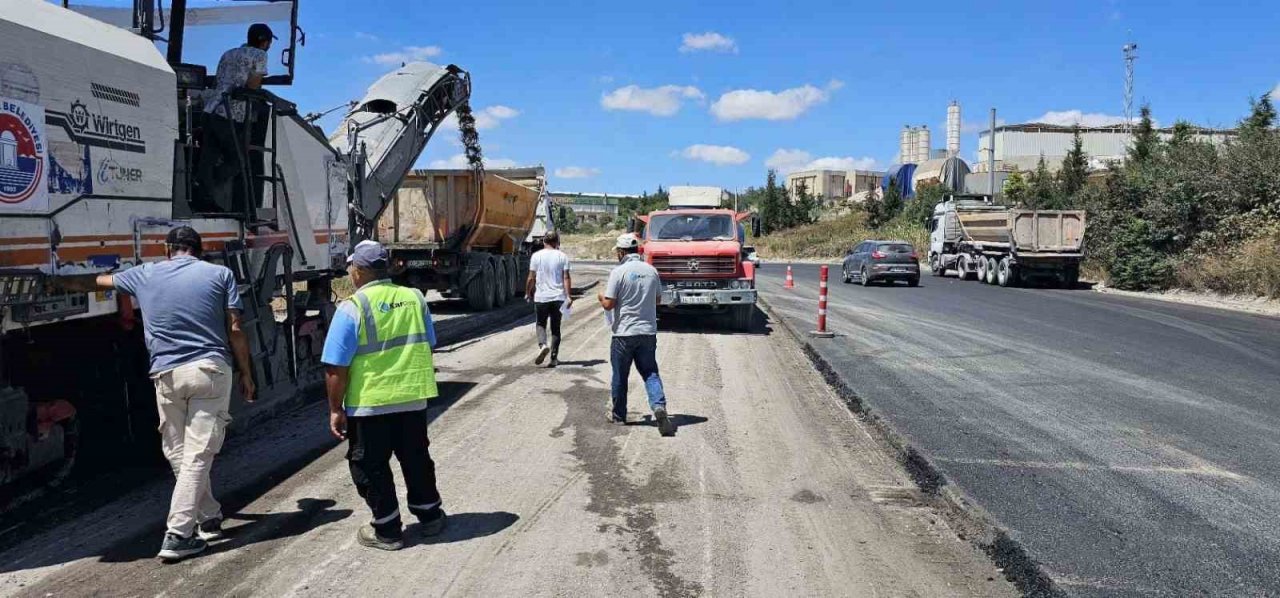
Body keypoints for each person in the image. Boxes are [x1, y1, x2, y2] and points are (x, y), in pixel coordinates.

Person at [55, 226, 255, 562]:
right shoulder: (220, 273)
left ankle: (208, 516)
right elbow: (235, 328)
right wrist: (246, 373)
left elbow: (97, 282)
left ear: (167, 250)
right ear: (198, 250)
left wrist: (56, 281)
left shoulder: (144, 274)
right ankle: (179, 533)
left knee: (180, 453)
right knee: (196, 454)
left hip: (166, 376)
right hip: (209, 371)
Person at [321, 240, 446, 551]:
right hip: (412, 397)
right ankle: (430, 517)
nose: (350, 272)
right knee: (416, 457)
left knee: (369, 466)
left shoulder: (353, 307)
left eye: (351, 268)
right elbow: (427, 343)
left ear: (361, 271)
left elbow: (336, 367)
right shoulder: (415, 298)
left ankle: (387, 529)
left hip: (370, 403)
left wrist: (335, 409)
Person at [598, 233, 675, 437]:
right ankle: (659, 407)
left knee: (620, 375)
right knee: (650, 372)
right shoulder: (651, 271)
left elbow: (609, 304)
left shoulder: (618, 272)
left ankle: (619, 416)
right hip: (647, 332)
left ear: (622, 252)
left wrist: (600, 297)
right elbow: (658, 300)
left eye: (618, 252)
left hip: (624, 333)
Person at [195, 23, 275, 212]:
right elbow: (254, 85)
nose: (269, 46)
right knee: (239, 160)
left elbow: (218, 82)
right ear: (263, 42)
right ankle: (212, 185)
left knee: (209, 157)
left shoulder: (228, 54)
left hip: (211, 110)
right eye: (269, 42)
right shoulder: (260, 56)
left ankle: (202, 193)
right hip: (231, 115)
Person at [525, 231, 573, 367]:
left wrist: (528, 292)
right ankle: (553, 358)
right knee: (555, 328)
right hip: (558, 297)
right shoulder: (562, 256)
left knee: (540, 323)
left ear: (544, 241)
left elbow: (531, 277)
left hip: (541, 297)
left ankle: (542, 345)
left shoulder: (536, 256)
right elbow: (566, 277)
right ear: (557, 242)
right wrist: (568, 296)